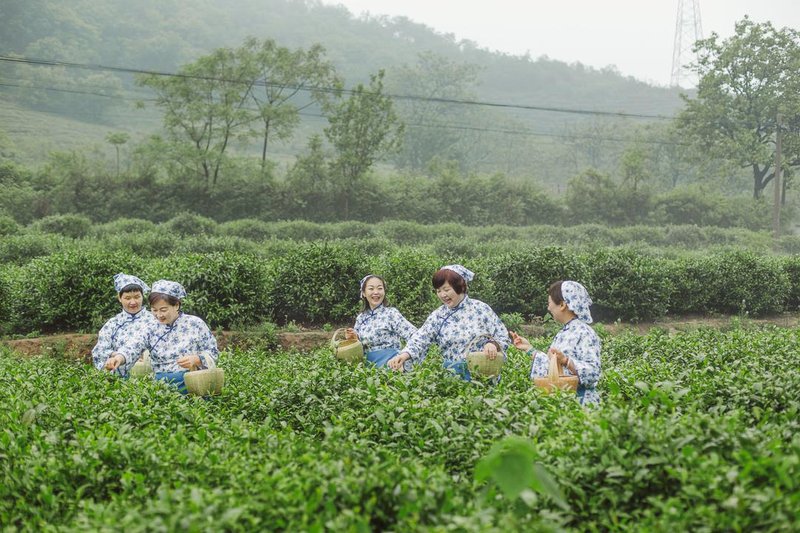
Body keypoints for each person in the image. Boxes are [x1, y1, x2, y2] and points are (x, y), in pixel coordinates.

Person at [387, 265, 510, 381]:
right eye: (438, 291)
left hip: (484, 374)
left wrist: (493, 344)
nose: (442, 295)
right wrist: (404, 355)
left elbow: (502, 334)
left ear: (460, 287)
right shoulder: (438, 316)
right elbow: (421, 338)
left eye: (446, 289)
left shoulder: (481, 309)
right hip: (452, 377)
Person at [103, 279, 219, 394]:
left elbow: (212, 351)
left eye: (163, 310)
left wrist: (197, 359)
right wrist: (118, 358)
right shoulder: (150, 327)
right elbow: (133, 346)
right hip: (161, 386)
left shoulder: (195, 323)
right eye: (154, 310)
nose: (159, 315)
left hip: (193, 383)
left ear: (176, 305)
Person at [510, 280, 602, 406]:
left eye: (549, 303)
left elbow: (593, 372)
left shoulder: (584, 333)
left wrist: (566, 361)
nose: (548, 308)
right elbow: (553, 365)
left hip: (582, 404)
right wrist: (528, 348)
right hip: (564, 402)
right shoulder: (564, 332)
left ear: (562, 305)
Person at [92, 273, 158, 377]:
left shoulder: (155, 320)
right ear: (119, 298)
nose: (133, 302)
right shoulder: (112, 324)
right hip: (118, 378)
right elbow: (99, 351)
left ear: (142, 296)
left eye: (137, 297)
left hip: (150, 378)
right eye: (127, 298)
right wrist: (117, 355)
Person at [345, 274, 416, 367]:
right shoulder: (361, 318)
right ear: (363, 293)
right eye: (371, 288)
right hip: (367, 367)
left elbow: (415, 336)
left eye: (379, 288)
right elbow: (359, 347)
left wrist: (404, 355)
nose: (376, 292)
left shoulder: (391, 314)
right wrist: (354, 338)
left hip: (391, 366)